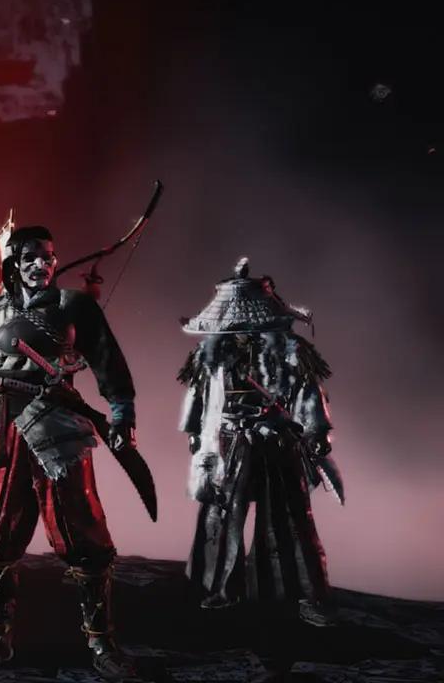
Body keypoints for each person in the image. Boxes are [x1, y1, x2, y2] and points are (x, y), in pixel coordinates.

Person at [0, 214, 143, 679]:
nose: (42, 264)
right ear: (14, 264)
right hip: (3, 421)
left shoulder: (74, 306)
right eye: (31, 257)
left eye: (49, 257)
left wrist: (122, 414)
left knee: (81, 523)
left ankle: (101, 644)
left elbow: (107, 361)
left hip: (59, 415)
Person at [179, 257, 341, 681]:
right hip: (228, 442)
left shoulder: (290, 353)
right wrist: (196, 436)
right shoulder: (211, 354)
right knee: (220, 517)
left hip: (277, 442)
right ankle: (219, 587)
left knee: (289, 518)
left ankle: (304, 595)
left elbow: (309, 393)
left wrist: (316, 430)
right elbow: (199, 400)